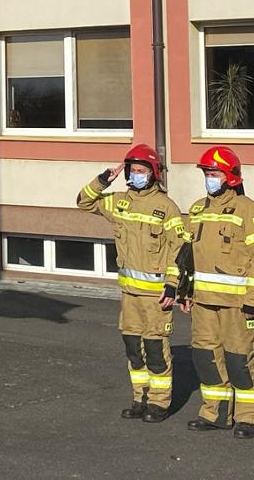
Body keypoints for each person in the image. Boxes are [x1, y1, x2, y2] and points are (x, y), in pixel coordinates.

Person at [77, 144, 186, 423]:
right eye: (133, 170)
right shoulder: (119, 201)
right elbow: (84, 202)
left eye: (141, 170)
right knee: (133, 349)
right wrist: (103, 180)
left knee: (155, 350)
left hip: (155, 297)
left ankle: (160, 403)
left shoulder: (166, 207)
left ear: (153, 174)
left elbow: (180, 248)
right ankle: (140, 398)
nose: (136, 175)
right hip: (129, 295)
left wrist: (173, 285)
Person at [182, 146, 254, 438]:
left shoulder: (249, 210)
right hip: (203, 302)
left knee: (238, 359)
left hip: (237, 303)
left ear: (231, 176)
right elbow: (186, 255)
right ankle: (216, 413)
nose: (210, 178)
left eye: (215, 173)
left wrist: (253, 298)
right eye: (207, 173)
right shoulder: (197, 208)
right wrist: (185, 291)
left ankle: (249, 418)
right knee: (206, 358)